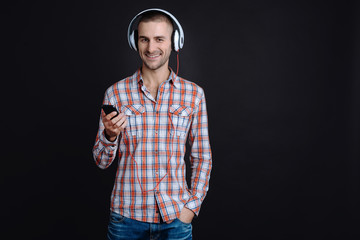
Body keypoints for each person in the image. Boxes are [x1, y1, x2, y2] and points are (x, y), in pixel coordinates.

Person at [93, 8, 212, 240]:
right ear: (134, 42)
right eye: (144, 39)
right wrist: (109, 136)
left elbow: (202, 157)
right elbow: (101, 161)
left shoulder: (194, 94)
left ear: (174, 42)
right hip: (125, 219)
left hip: (175, 220)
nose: (150, 48)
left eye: (159, 39)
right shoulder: (115, 93)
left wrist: (191, 208)